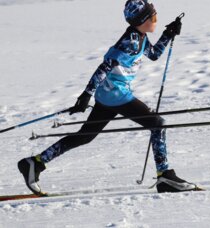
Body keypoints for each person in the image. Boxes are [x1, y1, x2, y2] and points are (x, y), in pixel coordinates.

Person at [18, 0, 199, 195]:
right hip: (116, 95)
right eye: (153, 16)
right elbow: (105, 66)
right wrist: (86, 94)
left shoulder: (140, 37)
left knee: (85, 136)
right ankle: (164, 176)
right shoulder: (130, 41)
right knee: (158, 123)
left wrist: (168, 34)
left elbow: (154, 54)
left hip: (107, 95)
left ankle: (35, 163)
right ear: (143, 20)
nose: (156, 19)